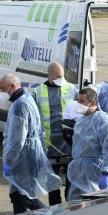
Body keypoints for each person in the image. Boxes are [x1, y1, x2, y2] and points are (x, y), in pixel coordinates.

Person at [1, 74, 62, 214]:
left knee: (27, 198)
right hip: (31, 153)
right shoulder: (27, 98)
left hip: (23, 157)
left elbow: (17, 139)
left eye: (2, 88)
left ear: (12, 87)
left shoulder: (19, 105)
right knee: (15, 195)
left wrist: (8, 161)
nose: (1, 92)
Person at [33, 62, 78, 205]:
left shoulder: (71, 89)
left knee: (71, 179)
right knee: (52, 181)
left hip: (69, 144)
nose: (61, 78)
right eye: (58, 76)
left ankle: (70, 203)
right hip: (49, 145)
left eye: (63, 76)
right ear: (49, 76)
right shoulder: (38, 91)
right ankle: (56, 207)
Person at [67, 87, 108, 201]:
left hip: (95, 173)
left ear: (93, 103)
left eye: (82, 101)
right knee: (75, 207)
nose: (78, 104)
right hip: (79, 173)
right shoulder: (80, 121)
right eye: (78, 100)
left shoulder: (103, 121)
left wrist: (106, 172)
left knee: (97, 209)